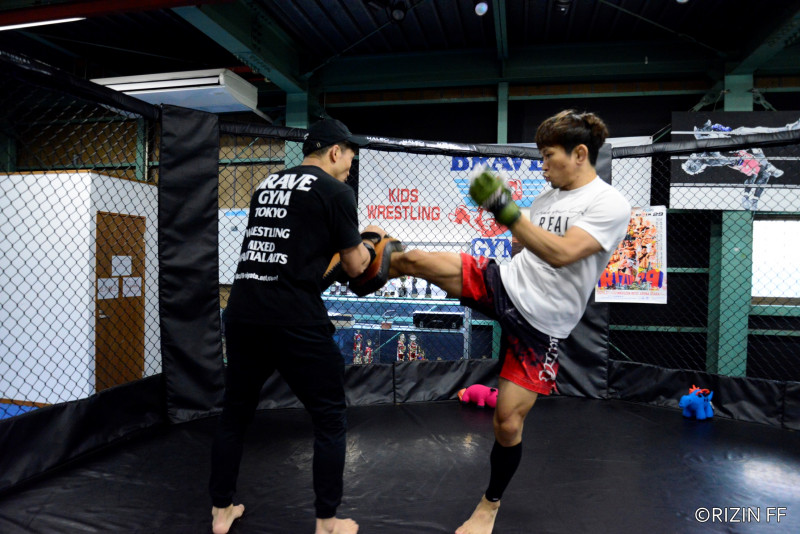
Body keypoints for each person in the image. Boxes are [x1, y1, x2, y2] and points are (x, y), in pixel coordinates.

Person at [387, 110, 631, 534]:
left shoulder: (608, 203)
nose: (543, 165)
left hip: (541, 325)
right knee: (414, 260)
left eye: (549, 156)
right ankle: (350, 270)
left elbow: (562, 254)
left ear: (579, 154)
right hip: (505, 283)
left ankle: (490, 504)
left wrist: (506, 211)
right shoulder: (546, 199)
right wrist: (516, 231)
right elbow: (528, 249)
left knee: (507, 422)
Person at [209, 118, 382, 534]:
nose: (350, 169)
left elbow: (294, 250)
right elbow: (356, 266)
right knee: (329, 417)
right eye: (350, 158)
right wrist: (372, 241)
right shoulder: (336, 191)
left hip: (243, 311)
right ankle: (327, 522)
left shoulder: (266, 185)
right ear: (335, 152)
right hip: (293, 317)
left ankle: (221, 511)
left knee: (234, 415)